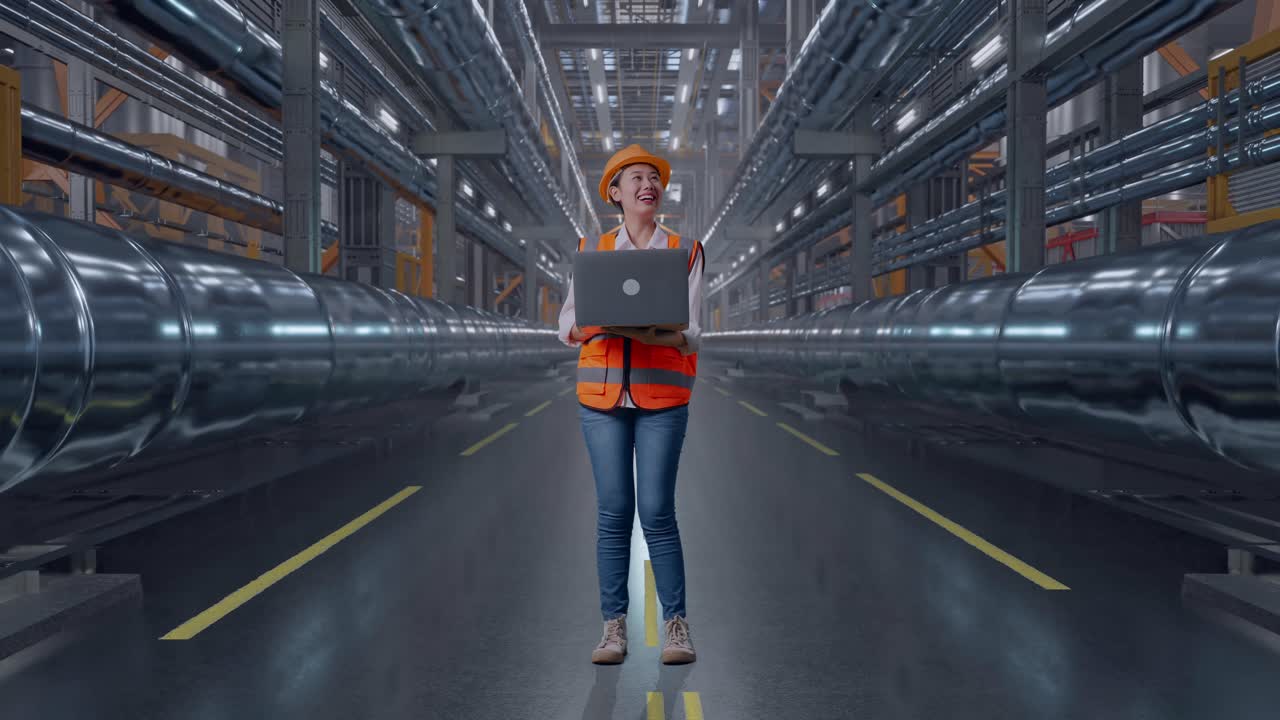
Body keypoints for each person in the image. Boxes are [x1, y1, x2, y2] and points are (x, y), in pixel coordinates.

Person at [558, 145, 704, 665]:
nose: (648, 184)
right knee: (614, 512)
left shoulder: (684, 251)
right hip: (601, 400)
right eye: (635, 178)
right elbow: (567, 325)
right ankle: (613, 627)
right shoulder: (591, 250)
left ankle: (676, 626)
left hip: (662, 398)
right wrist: (598, 322)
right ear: (615, 193)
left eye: (654, 178)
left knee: (658, 511)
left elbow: (693, 330)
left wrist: (654, 331)